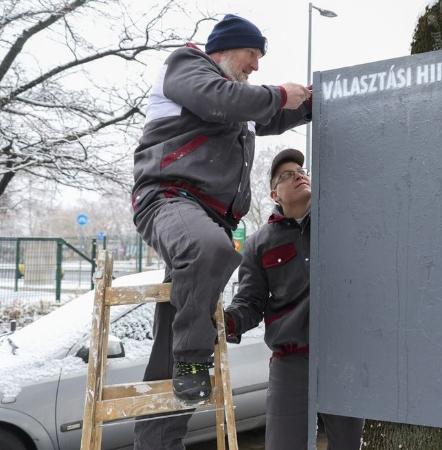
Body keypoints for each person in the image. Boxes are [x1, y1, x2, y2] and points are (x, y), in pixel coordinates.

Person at [131, 14, 311, 450]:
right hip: (169, 199)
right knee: (210, 250)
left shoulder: (234, 106)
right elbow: (223, 99)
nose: (256, 66)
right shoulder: (187, 66)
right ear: (226, 48)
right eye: (252, 54)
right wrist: (279, 93)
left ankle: (157, 441)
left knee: (174, 333)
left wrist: (317, 99)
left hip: (207, 216)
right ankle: (193, 361)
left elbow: (269, 113)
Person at [223, 149, 364, 450]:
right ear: (275, 193)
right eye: (287, 175)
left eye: (301, 171)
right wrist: (227, 322)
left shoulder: (339, 223)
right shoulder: (258, 244)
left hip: (342, 358)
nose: (299, 175)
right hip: (290, 364)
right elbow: (250, 302)